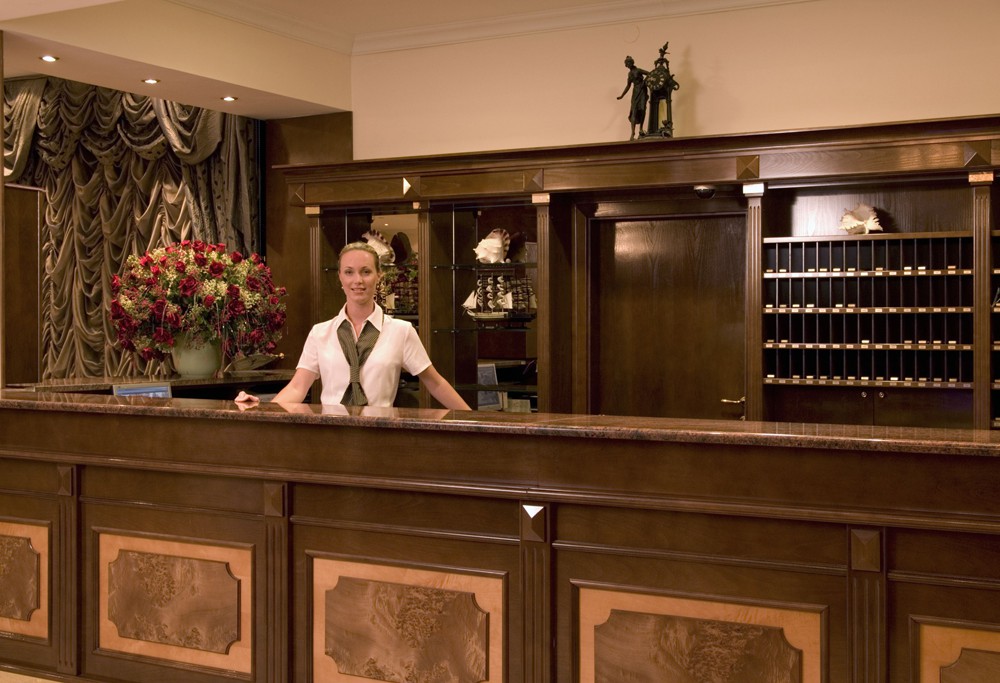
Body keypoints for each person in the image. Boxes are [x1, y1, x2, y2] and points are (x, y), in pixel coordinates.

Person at [235, 242, 471, 410]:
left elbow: (435, 383)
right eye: (349, 272)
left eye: (366, 272)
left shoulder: (401, 331)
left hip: (381, 437)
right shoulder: (320, 333)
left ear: (379, 276)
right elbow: (297, 388)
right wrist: (262, 408)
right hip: (331, 437)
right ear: (340, 277)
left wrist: (475, 421)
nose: (358, 280)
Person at [617, 56, 648, 141]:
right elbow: (628, 85)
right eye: (626, 64)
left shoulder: (638, 70)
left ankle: (641, 129)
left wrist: (644, 82)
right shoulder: (629, 74)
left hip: (642, 91)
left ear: (631, 62)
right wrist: (622, 95)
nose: (626, 65)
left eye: (627, 63)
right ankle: (632, 133)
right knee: (634, 111)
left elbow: (650, 74)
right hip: (635, 92)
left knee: (642, 109)